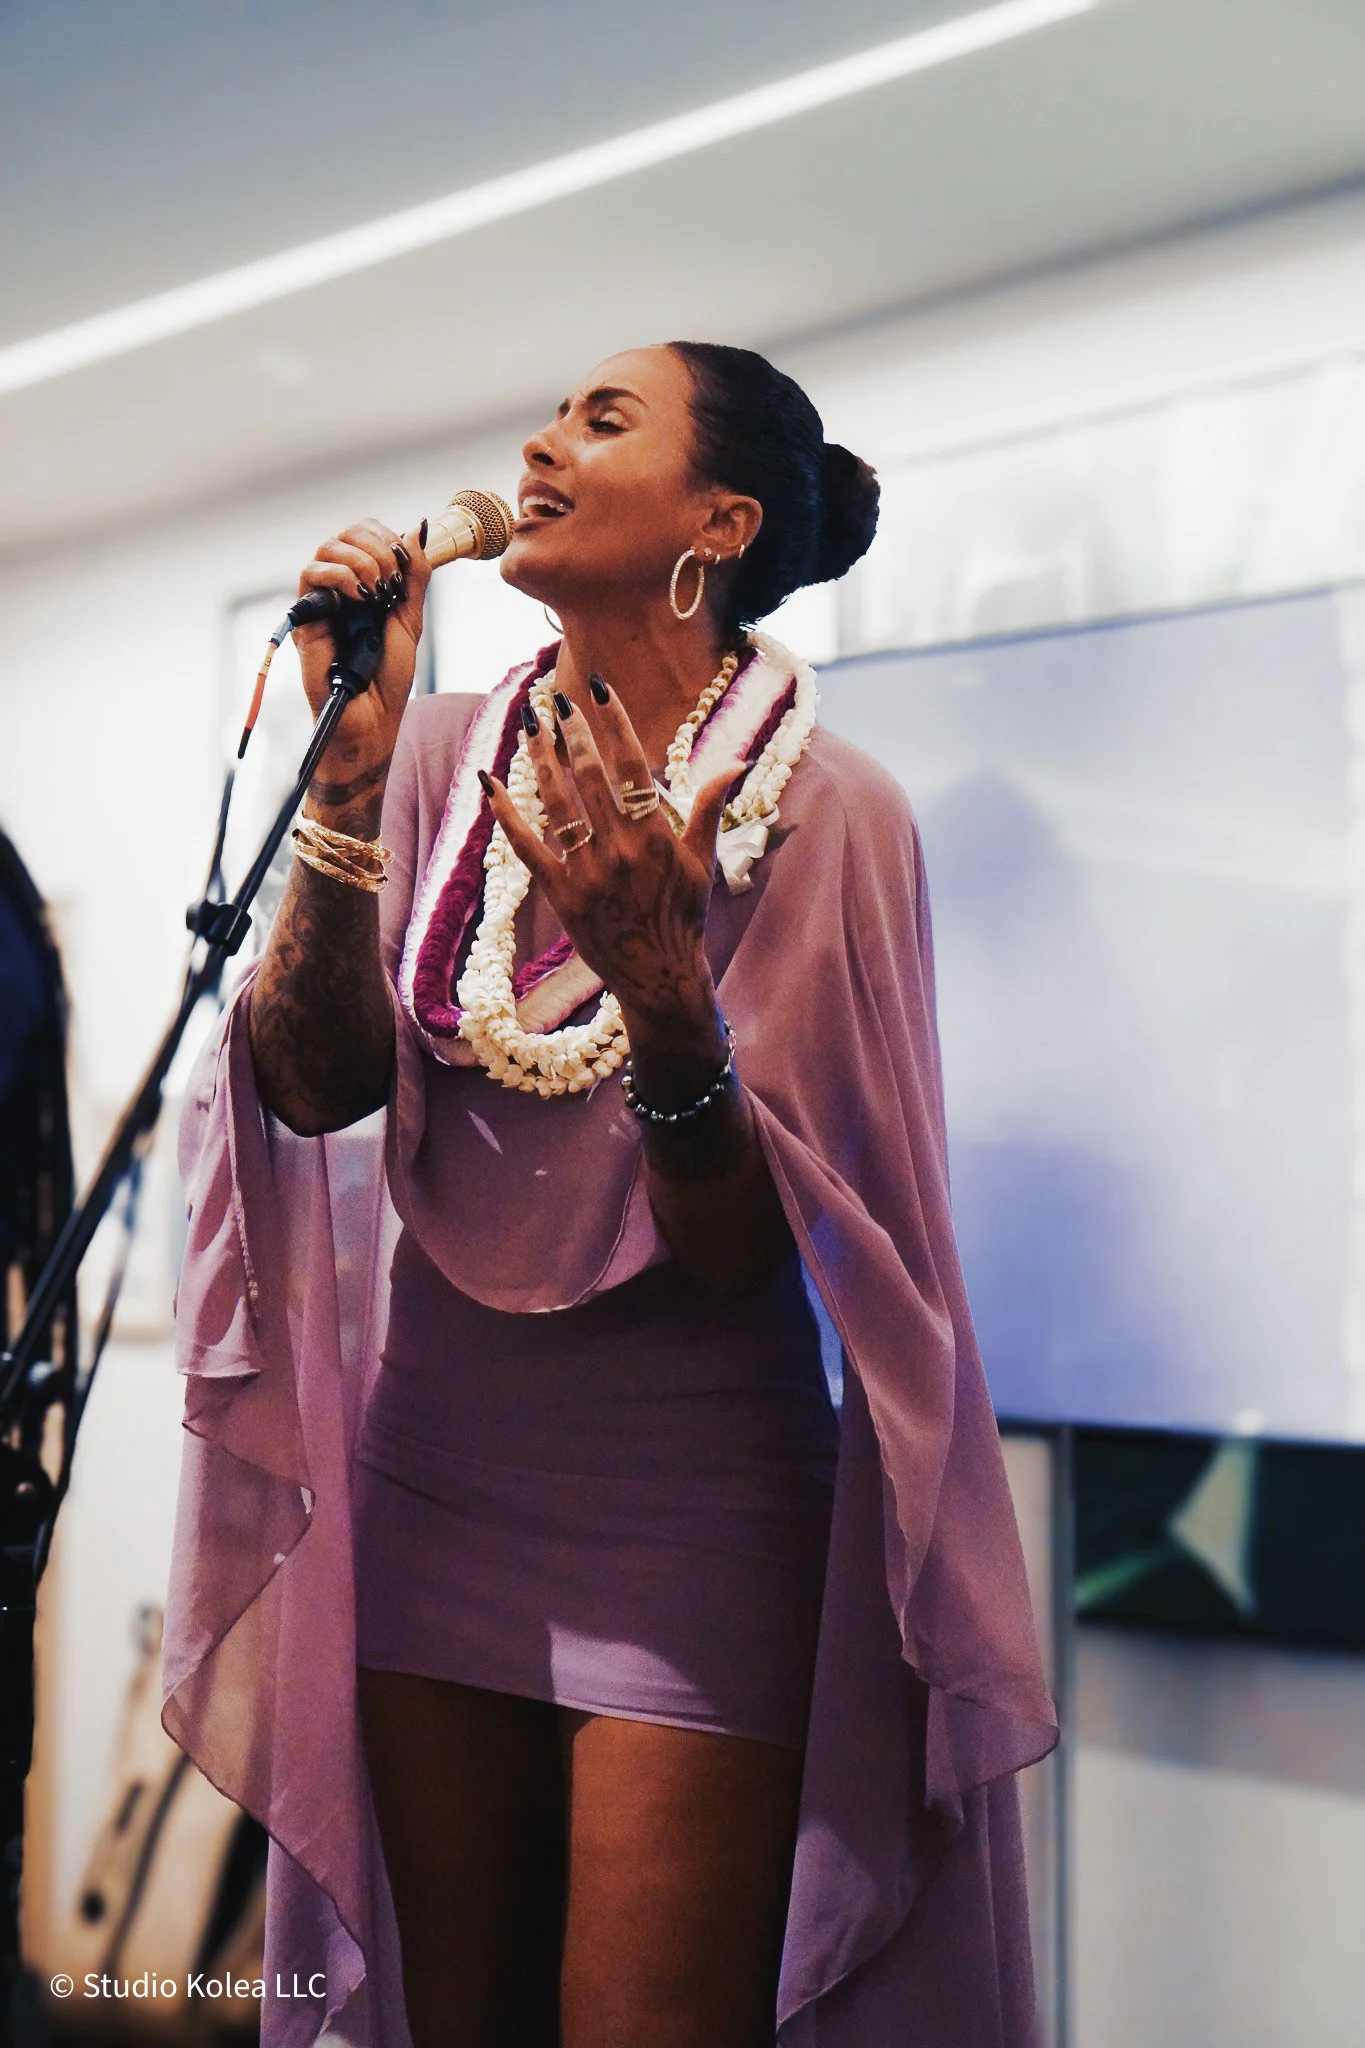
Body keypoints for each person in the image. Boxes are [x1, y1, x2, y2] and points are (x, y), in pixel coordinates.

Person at [165, 342, 1056, 2048]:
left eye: (601, 418)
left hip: (694, 1521)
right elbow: (315, 1077)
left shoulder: (828, 816)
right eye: (552, 414)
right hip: (431, 1483)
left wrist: (663, 997)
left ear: (714, 524)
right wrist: (345, 795)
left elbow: (740, 1256)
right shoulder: (431, 755)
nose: (540, 439)